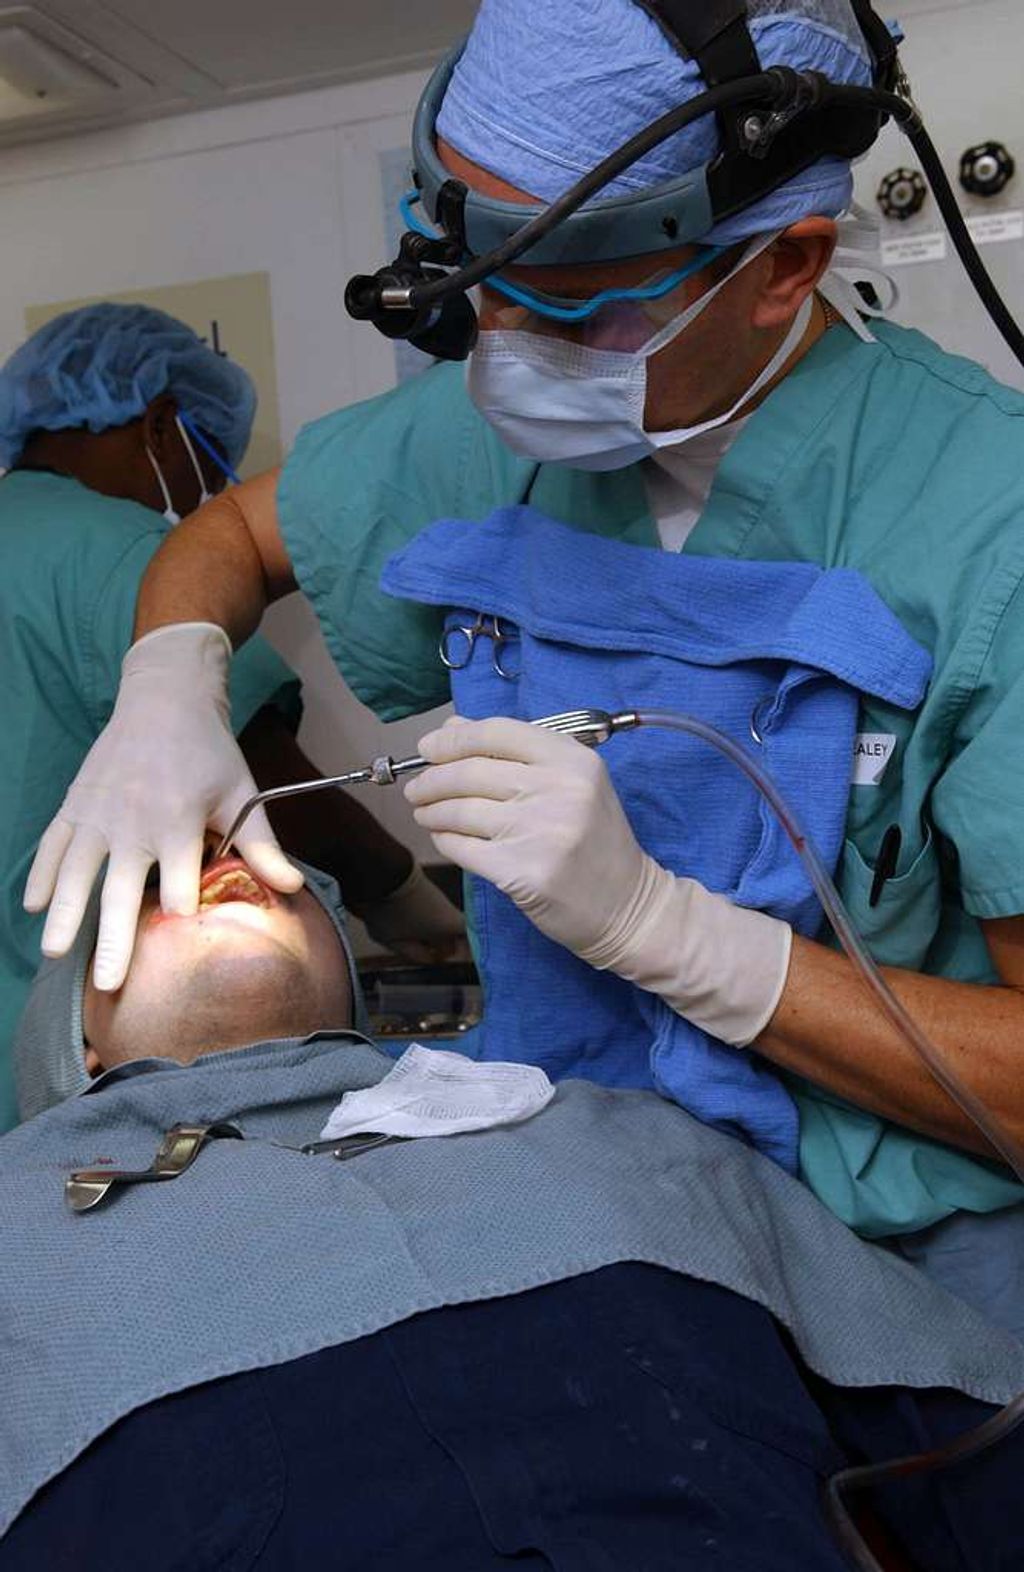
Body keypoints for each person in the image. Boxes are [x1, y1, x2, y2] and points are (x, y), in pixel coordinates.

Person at [22, 4, 1024, 1287]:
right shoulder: (485, 436)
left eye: (575, 315)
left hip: (907, 1253)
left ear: (783, 266)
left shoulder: (982, 522)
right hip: (589, 1197)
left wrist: (679, 937)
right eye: (480, 303)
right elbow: (231, 535)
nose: (506, 362)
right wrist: (171, 684)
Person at [3, 859, 1024, 1570]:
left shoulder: (613, 1129)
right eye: (149, 883)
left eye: (269, 866)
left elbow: (969, 1426)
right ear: (74, 1047)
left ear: (342, 992)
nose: (219, 860)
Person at [0, 302, 464, 1127]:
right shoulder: (114, 547)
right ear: (161, 422)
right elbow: (262, 779)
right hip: (80, 1070)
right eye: (210, 463)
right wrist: (396, 889)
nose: (211, 494)